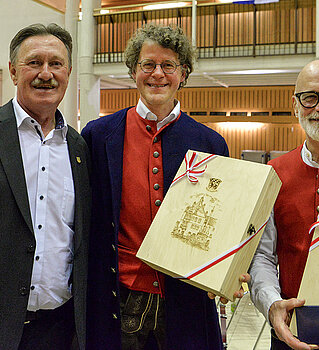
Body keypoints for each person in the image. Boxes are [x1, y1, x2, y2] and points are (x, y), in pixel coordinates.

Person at [82, 24, 247, 350]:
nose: (158, 74)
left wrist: (230, 270)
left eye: (168, 65)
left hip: (186, 300)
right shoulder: (98, 135)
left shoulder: (210, 143)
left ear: (183, 73)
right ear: (133, 71)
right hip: (119, 295)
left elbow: (222, 224)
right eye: (148, 64)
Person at [0, 23, 90, 350]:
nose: (46, 73)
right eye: (34, 63)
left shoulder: (80, 149)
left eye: (56, 64)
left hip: (61, 328)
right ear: (13, 71)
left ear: (68, 72)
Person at [249, 59, 319, 350]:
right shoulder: (274, 172)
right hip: (290, 331)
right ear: (295, 105)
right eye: (310, 97)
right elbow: (262, 257)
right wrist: (272, 305)